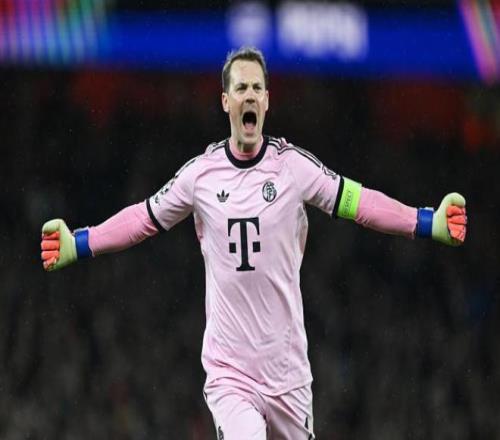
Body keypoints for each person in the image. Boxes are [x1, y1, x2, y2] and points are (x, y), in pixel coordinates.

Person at [40, 47, 467, 439]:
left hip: (287, 373)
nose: (249, 95)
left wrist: (426, 221)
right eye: (241, 87)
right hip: (231, 374)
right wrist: (79, 242)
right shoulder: (200, 176)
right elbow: (143, 217)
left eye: (257, 88)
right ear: (226, 101)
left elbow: (358, 203)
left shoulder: (293, 168)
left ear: (266, 101)